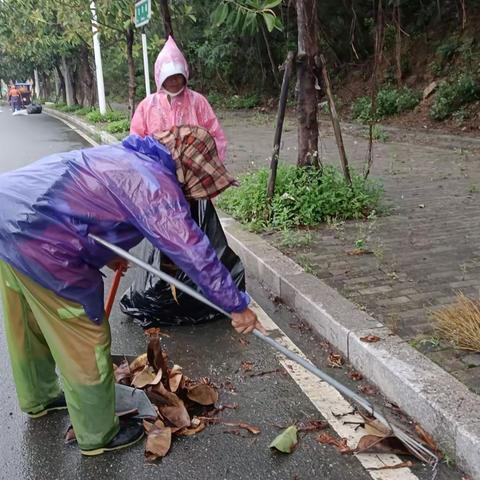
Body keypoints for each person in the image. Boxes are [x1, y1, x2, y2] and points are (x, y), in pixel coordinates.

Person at [0, 128, 265, 456]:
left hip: (8, 218)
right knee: (83, 338)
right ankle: (97, 434)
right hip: (44, 242)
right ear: (188, 167)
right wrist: (235, 304)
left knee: (29, 323)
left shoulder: (126, 157)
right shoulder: (152, 181)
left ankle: (39, 396)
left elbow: (85, 204)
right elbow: (191, 249)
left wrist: (109, 253)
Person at [130, 36, 227, 162]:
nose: (174, 81)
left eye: (177, 76)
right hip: (158, 170)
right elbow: (136, 140)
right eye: (169, 77)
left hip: (194, 170)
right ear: (160, 78)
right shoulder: (147, 106)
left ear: (184, 75)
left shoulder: (197, 102)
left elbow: (215, 136)